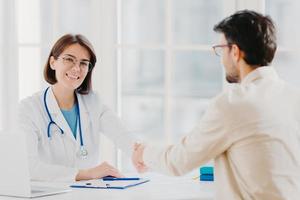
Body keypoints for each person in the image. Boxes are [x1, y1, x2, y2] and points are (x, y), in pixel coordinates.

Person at [132, 10, 300, 199]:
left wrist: (144, 153)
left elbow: (179, 161)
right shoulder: (293, 97)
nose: (221, 58)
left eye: (221, 49)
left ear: (235, 52)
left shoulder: (234, 103)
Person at [18, 34, 135, 181]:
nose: (77, 68)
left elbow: (122, 135)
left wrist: (141, 155)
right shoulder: (29, 108)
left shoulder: (93, 102)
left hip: (88, 193)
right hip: (50, 194)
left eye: (84, 63)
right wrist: (87, 173)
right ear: (53, 62)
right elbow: (29, 167)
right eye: (69, 59)